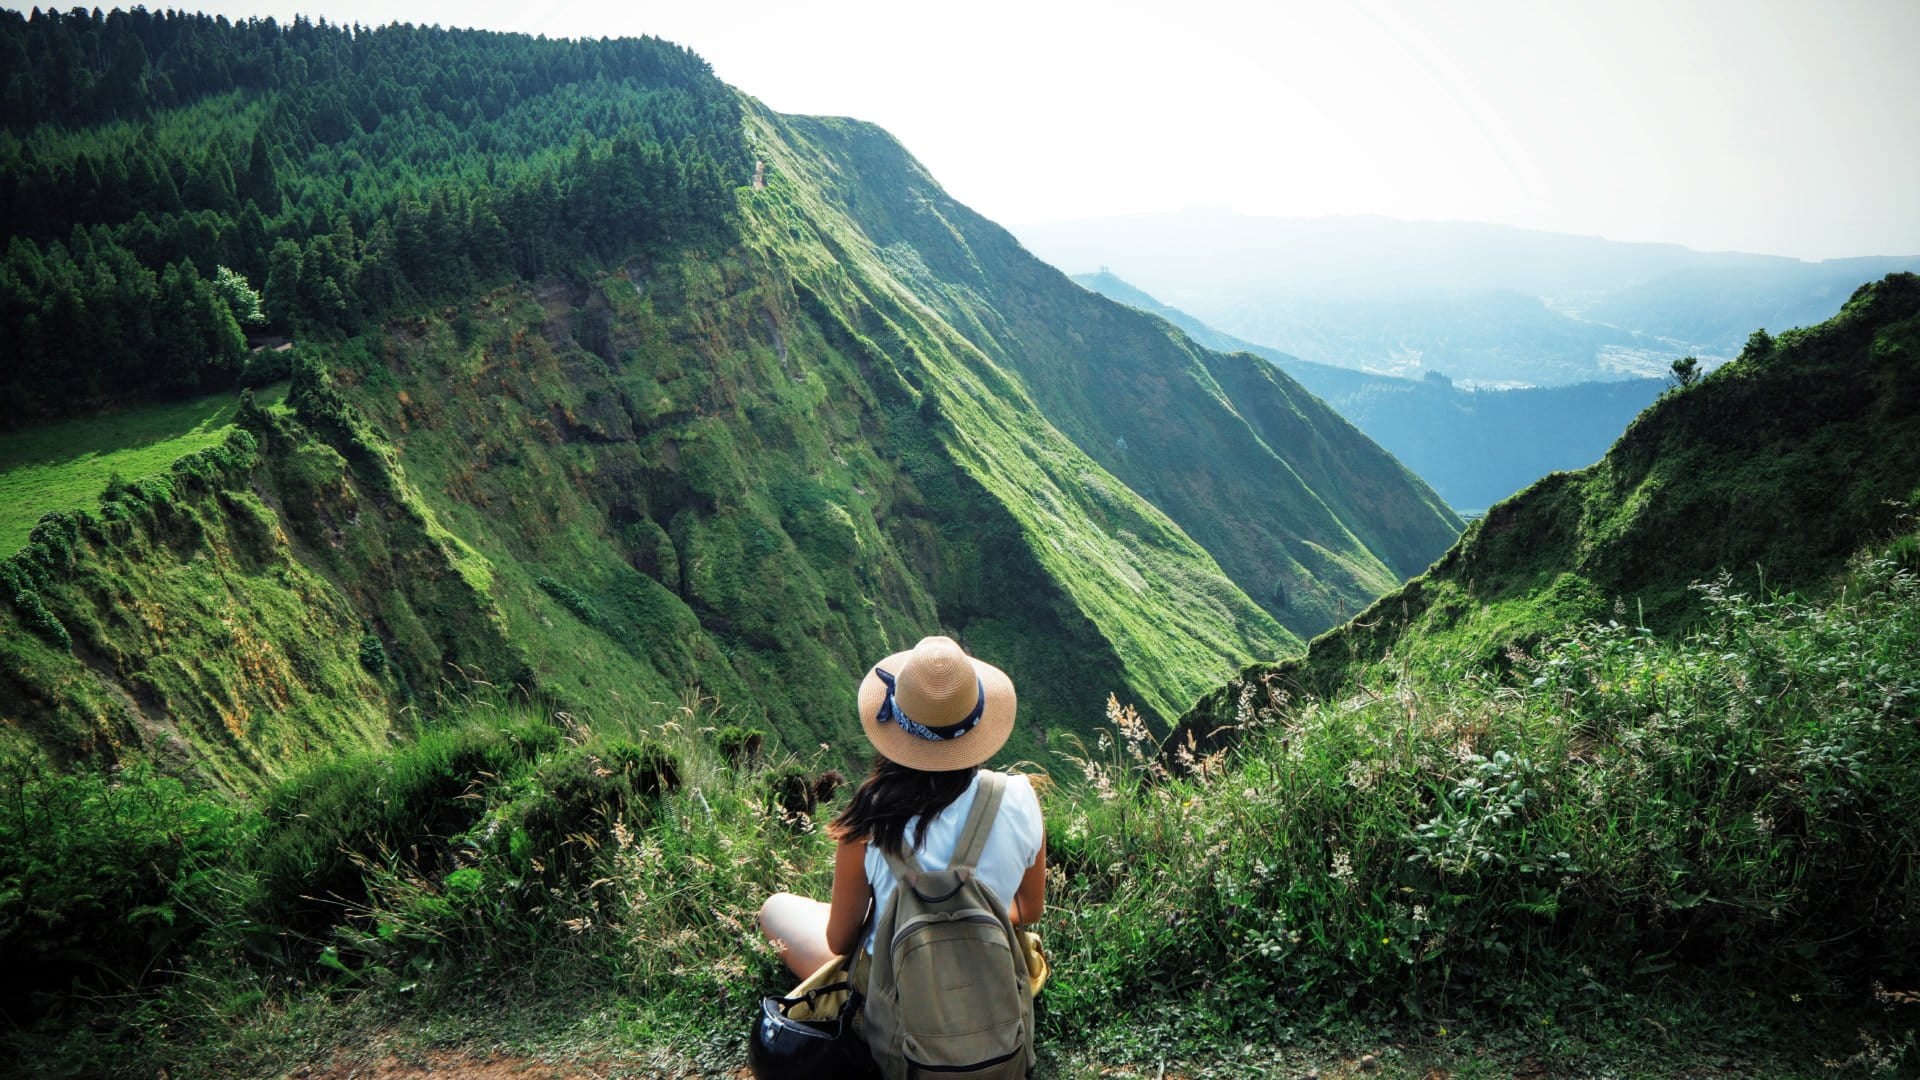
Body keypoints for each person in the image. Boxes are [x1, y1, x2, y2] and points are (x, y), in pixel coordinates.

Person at [758, 635, 1046, 983]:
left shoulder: (872, 820)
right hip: (991, 993)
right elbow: (1029, 909)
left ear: (894, 725)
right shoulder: (1018, 796)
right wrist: (965, 918)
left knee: (777, 910)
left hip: (897, 1007)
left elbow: (839, 942)